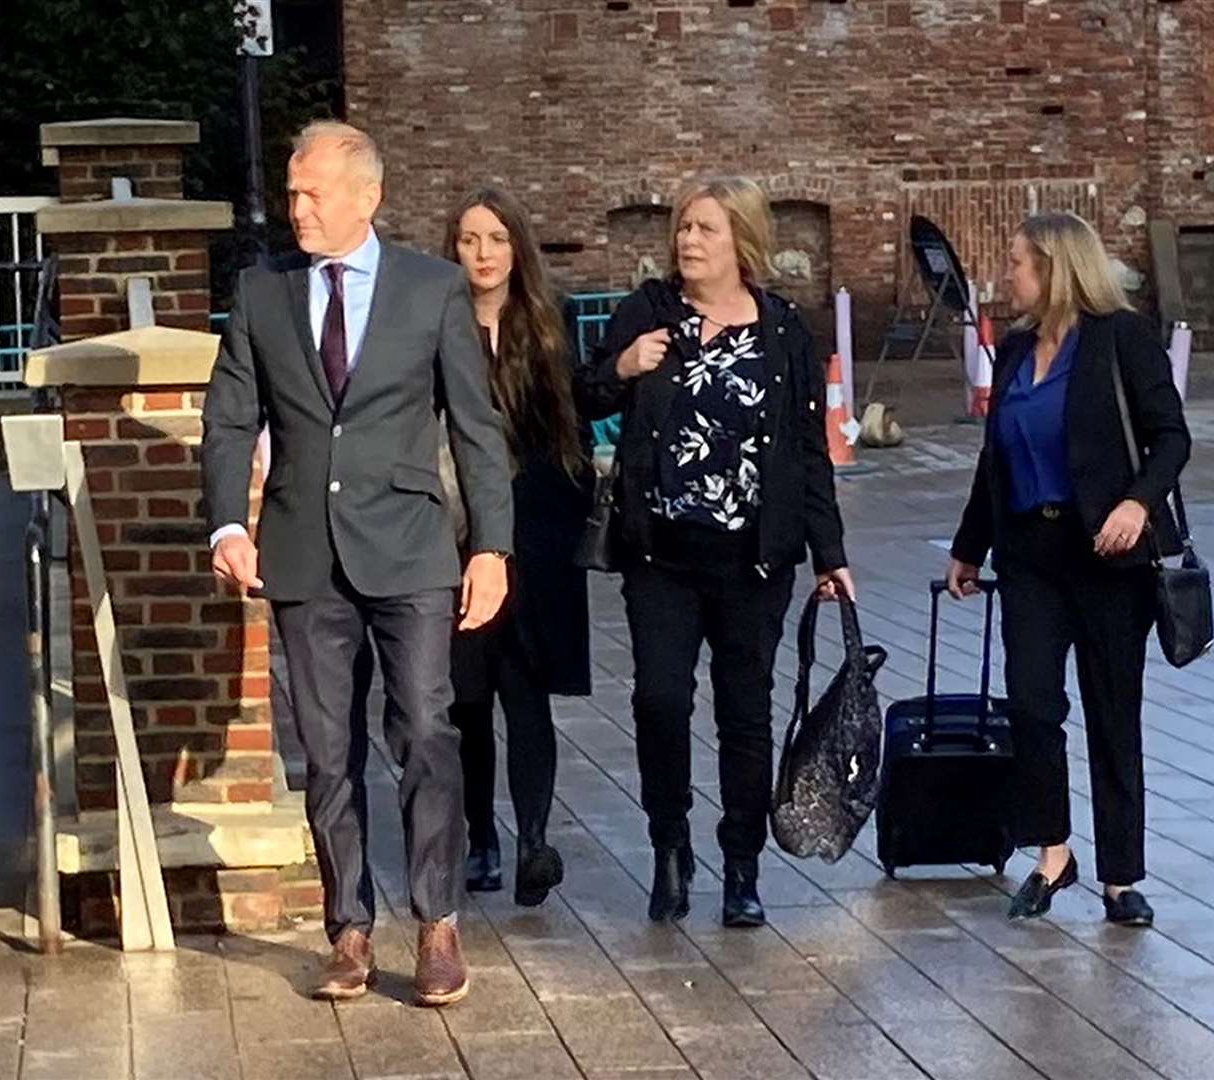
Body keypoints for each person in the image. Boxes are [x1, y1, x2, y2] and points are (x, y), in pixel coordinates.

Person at [201, 122, 514, 1007]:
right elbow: (229, 418)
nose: (296, 208)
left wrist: (491, 546)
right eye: (293, 193)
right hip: (302, 551)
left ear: (366, 197)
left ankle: (438, 921)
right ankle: (348, 928)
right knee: (327, 751)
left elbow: (475, 426)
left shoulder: (434, 288)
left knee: (424, 731)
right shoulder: (263, 293)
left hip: (412, 549)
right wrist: (228, 525)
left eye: (313, 194)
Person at [574, 178, 852, 929]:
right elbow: (583, 396)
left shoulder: (785, 330)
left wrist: (830, 554)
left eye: (705, 230)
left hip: (753, 561)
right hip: (660, 555)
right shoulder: (649, 315)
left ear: (743, 242)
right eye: (682, 230)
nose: (688, 242)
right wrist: (624, 366)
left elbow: (806, 451)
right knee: (660, 700)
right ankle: (670, 844)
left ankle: (741, 864)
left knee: (745, 714)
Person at [947, 212, 1190, 928]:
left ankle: (1121, 877)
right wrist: (970, 545)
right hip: (1031, 556)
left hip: (1108, 559)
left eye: (1017, 263)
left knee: (1113, 713)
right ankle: (1053, 851)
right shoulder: (1018, 351)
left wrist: (1137, 505)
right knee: (1032, 705)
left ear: (1054, 269)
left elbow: (1171, 437)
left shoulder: (1121, 339)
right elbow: (996, 458)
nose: (1006, 277)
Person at [441, 187, 592, 906]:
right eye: (470, 239)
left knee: (526, 692)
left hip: (536, 533)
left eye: (497, 238)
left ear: (517, 247)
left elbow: (574, 414)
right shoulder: (433, 324)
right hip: (456, 534)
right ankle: (482, 839)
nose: (484, 254)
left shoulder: (548, 322)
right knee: (467, 699)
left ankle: (534, 839)